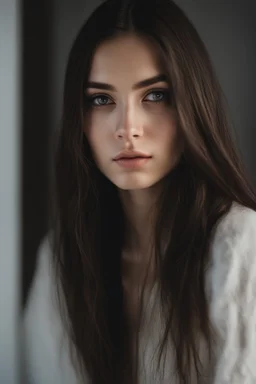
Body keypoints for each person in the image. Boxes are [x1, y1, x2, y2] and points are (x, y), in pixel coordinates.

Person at [22, 0, 256, 383]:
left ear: (191, 104)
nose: (127, 127)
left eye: (154, 95)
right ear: (79, 120)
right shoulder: (60, 260)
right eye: (101, 99)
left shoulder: (241, 247)